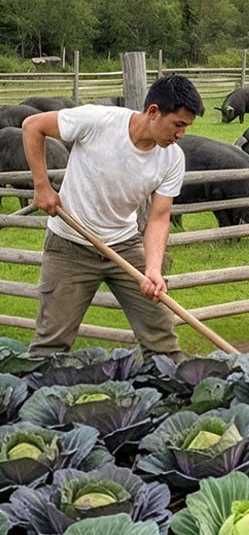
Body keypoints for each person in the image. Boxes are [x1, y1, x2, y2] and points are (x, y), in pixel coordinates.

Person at [22, 75, 204, 357]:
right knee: (51, 344)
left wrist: (153, 269)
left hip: (124, 245)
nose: (181, 134)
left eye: (186, 127)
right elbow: (32, 125)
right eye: (178, 124)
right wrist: (42, 187)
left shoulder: (172, 159)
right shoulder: (98, 121)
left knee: (162, 340)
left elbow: (159, 217)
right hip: (70, 245)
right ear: (153, 112)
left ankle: (170, 379)